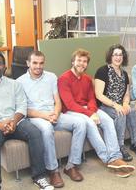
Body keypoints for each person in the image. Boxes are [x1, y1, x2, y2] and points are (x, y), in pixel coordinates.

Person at [0, 51, 53, 190]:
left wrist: (13, 122)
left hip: (16, 122)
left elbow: (22, 106)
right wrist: (0, 125)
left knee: (35, 133)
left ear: (4, 66)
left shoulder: (15, 84)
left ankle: (39, 176)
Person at [58, 49, 135, 178]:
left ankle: (116, 157)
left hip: (88, 109)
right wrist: (90, 114)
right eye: (79, 61)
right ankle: (109, 160)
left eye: (85, 62)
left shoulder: (88, 79)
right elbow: (70, 104)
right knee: (90, 123)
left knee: (108, 121)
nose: (82, 64)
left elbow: (92, 99)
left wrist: (93, 111)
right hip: (71, 111)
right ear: (73, 62)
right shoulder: (63, 79)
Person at [17, 51, 87, 187]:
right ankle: (53, 171)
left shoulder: (51, 77)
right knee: (47, 128)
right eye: (35, 63)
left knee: (80, 123)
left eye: (41, 63)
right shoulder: (20, 82)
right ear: (28, 63)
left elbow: (57, 100)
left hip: (54, 114)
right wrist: (44, 116)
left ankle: (71, 166)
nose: (38, 66)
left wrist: (55, 113)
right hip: (36, 117)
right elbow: (23, 110)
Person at [95, 44, 136, 162]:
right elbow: (99, 95)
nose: (118, 57)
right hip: (105, 106)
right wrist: (116, 105)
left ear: (123, 57)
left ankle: (134, 142)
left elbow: (126, 94)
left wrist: (126, 103)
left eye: (120, 55)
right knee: (121, 113)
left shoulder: (124, 74)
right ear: (110, 57)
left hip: (119, 104)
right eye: (115, 55)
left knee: (132, 110)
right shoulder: (102, 71)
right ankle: (120, 146)